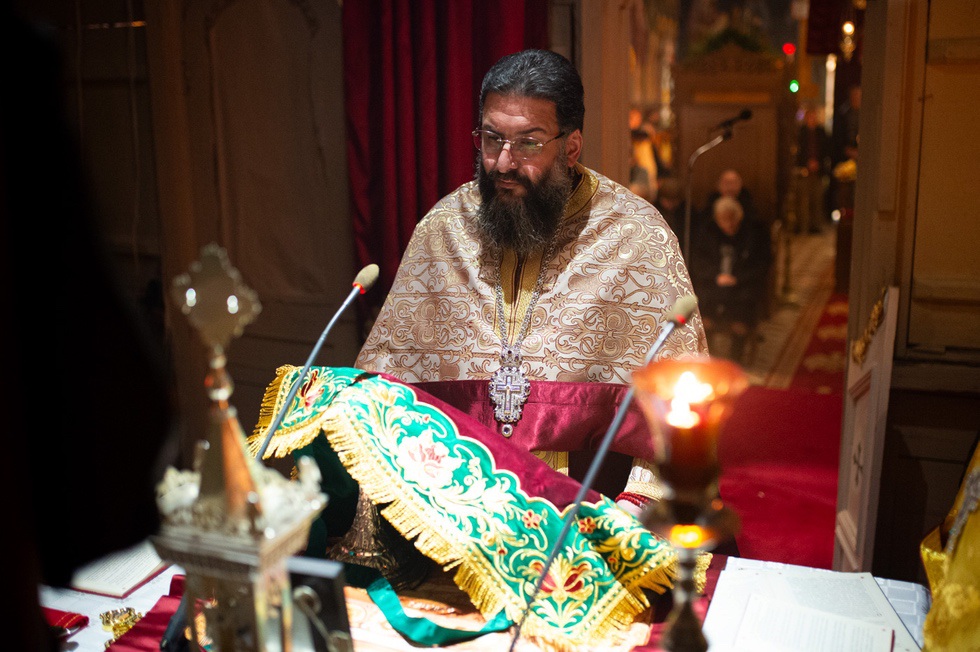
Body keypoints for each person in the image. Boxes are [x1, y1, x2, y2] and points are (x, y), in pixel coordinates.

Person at [355, 49, 708, 515]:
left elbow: (682, 408)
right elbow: (385, 387)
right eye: (492, 139)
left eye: (528, 143)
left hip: (591, 517)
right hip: (456, 512)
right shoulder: (442, 231)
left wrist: (630, 510)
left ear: (571, 147)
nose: (503, 162)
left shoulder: (636, 236)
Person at [690, 196, 772, 362]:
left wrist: (737, 279)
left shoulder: (753, 233)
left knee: (740, 316)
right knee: (703, 312)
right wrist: (716, 276)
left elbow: (761, 264)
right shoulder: (707, 232)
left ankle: (735, 358)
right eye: (724, 221)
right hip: (713, 284)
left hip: (742, 285)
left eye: (732, 221)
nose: (728, 225)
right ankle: (708, 357)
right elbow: (698, 262)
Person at [794, 105, 831, 234]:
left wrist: (818, 163)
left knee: (817, 199)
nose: (812, 119)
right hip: (804, 171)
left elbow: (826, 150)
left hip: (818, 171)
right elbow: (798, 152)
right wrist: (806, 163)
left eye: (813, 116)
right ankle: (803, 227)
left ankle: (815, 226)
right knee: (803, 201)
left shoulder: (821, 132)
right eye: (810, 116)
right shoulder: (801, 133)